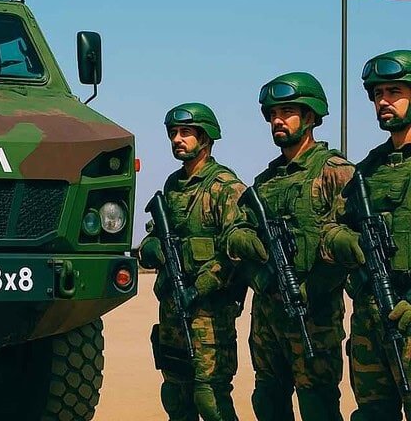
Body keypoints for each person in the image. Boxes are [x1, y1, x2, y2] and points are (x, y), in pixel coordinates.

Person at [137, 102, 265, 421]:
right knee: (175, 394)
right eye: (173, 133)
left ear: (205, 138)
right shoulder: (173, 186)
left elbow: (235, 253)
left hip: (210, 313)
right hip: (173, 309)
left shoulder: (225, 187)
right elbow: (154, 235)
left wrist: (199, 288)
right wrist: (154, 249)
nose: (177, 139)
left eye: (186, 133)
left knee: (210, 397)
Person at [247, 72, 355, 421]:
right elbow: (240, 238)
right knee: (268, 401)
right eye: (273, 114)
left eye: (287, 112)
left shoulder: (335, 172)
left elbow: (354, 245)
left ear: (310, 117)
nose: (278, 121)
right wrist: (259, 276)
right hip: (268, 318)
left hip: (315, 319)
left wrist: (312, 287)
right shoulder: (265, 182)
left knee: (317, 404)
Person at [331, 50, 411, 420]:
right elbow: (332, 229)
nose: (384, 101)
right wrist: (351, 243)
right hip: (370, 318)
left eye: (394, 92)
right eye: (378, 94)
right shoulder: (366, 170)